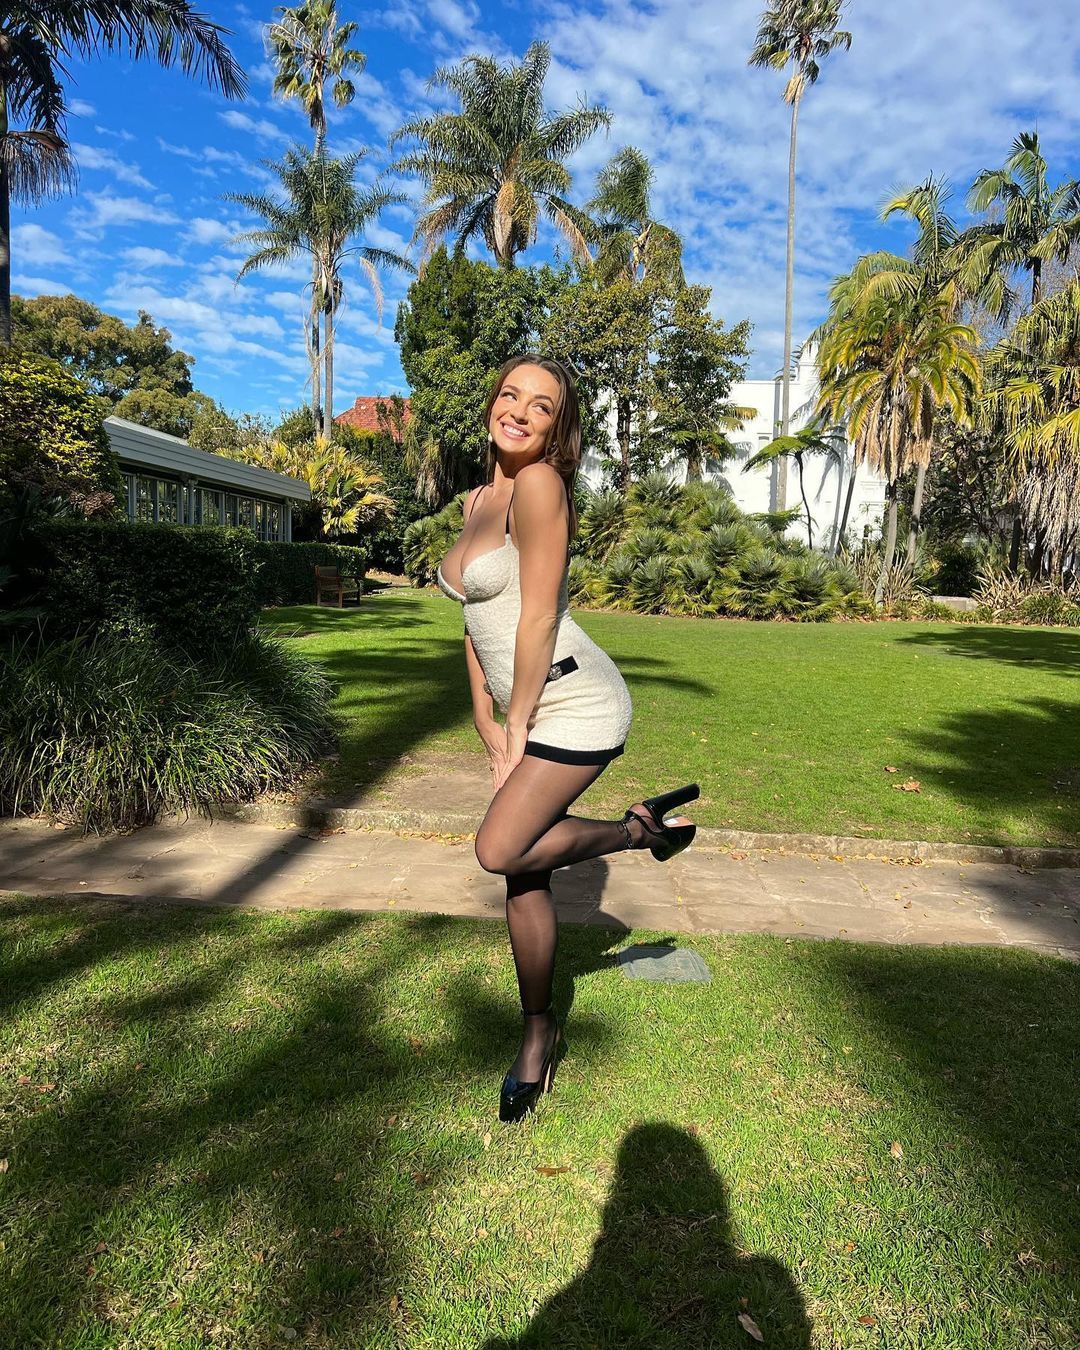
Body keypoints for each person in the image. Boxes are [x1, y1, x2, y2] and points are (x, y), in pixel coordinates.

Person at [436, 355, 699, 1123]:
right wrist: (484, 716)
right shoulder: (479, 497)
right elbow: (475, 619)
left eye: (541, 406)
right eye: (510, 395)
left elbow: (539, 613)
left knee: (500, 848)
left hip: (574, 700)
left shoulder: (541, 486)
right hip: (522, 700)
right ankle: (537, 1034)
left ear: (558, 428)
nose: (519, 412)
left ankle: (634, 831)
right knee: (524, 873)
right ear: (492, 403)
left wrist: (518, 721)